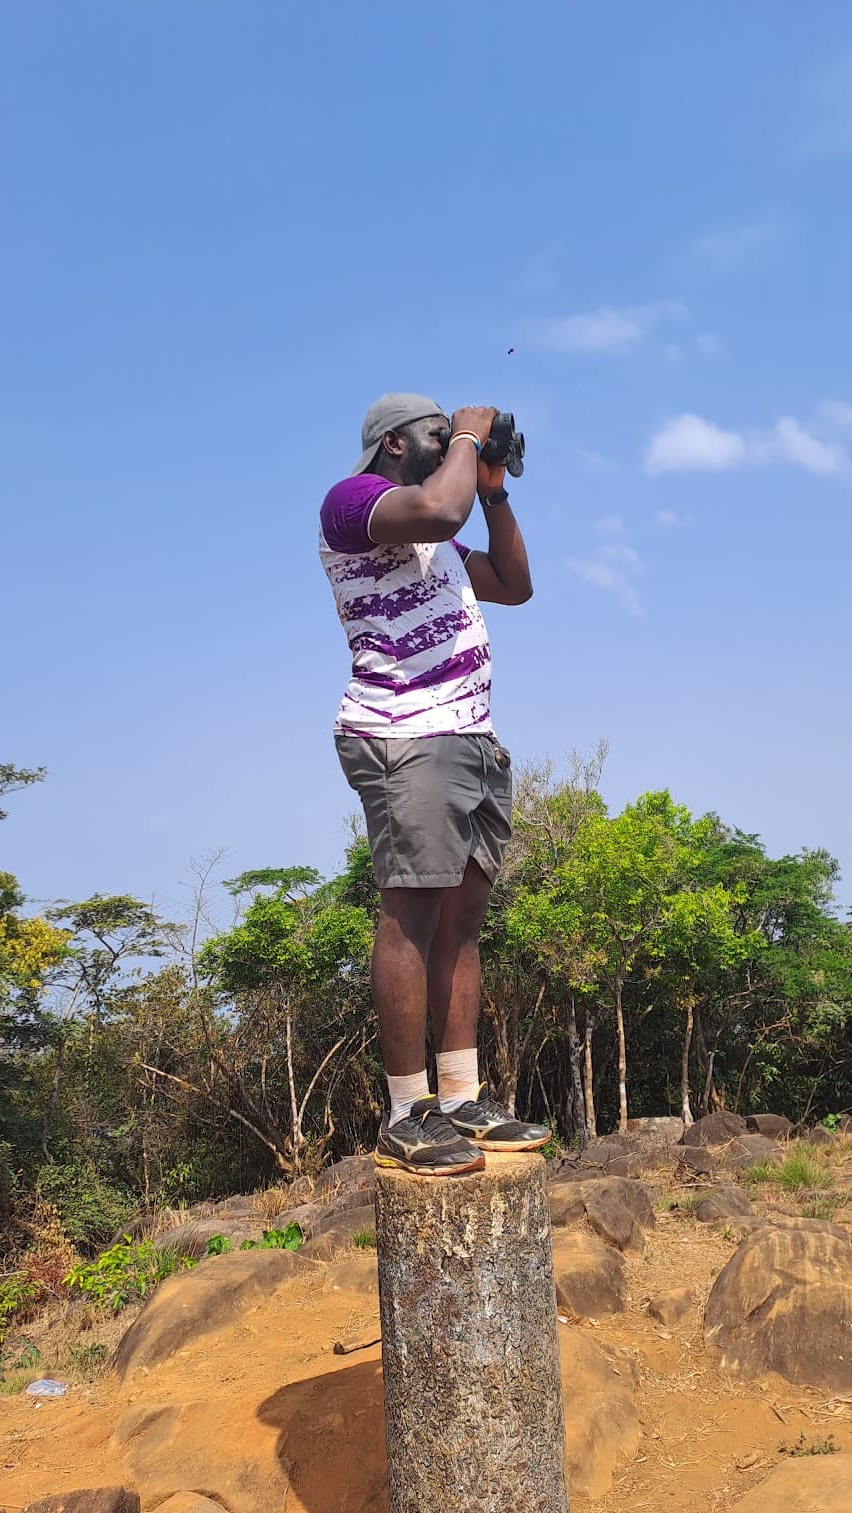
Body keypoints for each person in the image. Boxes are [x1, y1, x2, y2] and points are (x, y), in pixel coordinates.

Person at [319, 393, 549, 1175]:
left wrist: (494, 488)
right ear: (392, 445)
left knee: (462, 921)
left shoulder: (438, 534)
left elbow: (514, 584)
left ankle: (459, 1097)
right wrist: (468, 439)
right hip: (402, 735)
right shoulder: (353, 503)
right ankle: (406, 1109)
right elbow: (439, 510)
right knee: (411, 914)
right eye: (435, 432)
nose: (448, 440)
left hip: (471, 738)